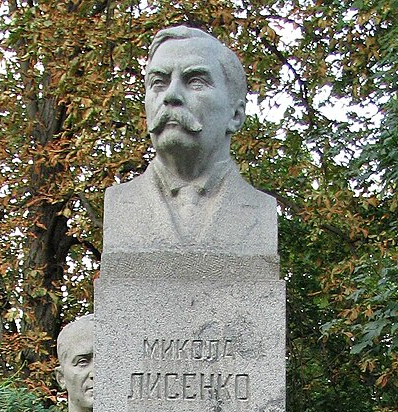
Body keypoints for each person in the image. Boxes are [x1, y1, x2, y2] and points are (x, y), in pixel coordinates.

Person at [103, 25, 277, 254]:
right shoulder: (120, 205)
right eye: (158, 82)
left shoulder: (260, 209)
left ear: (235, 115)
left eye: (195, 81)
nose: (171, 95)